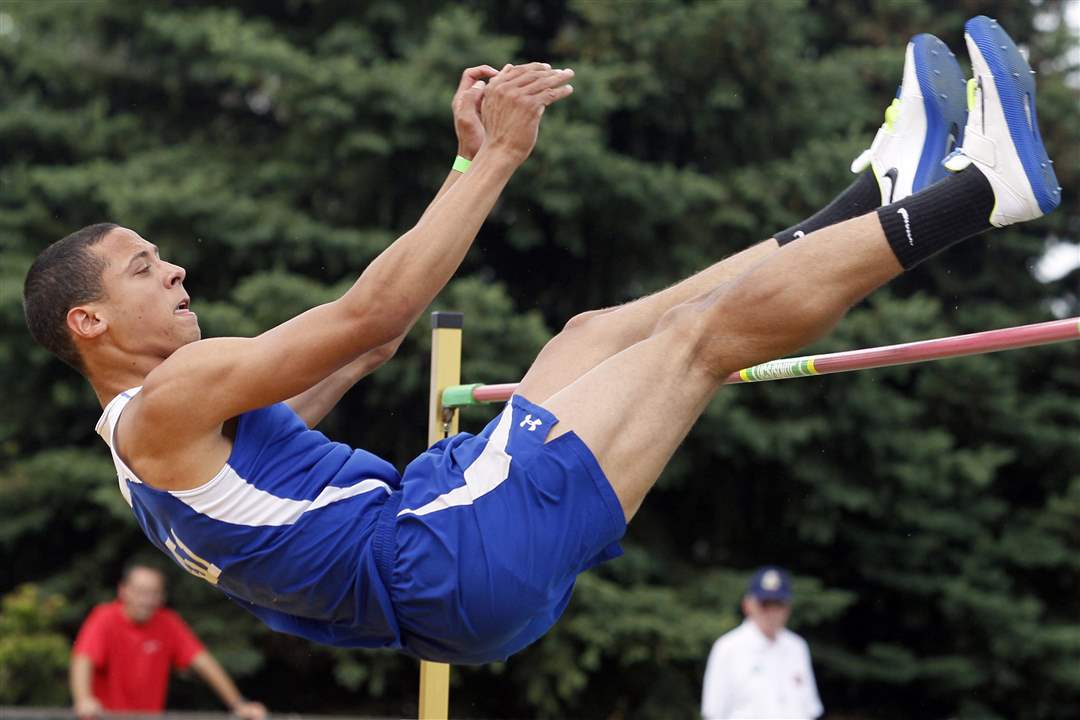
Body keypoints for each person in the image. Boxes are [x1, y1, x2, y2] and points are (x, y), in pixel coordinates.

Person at [23, 17, 1060, 665]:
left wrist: (461, 163)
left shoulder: (165, 452)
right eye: (147, 268)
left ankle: (871, 197)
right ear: (90, 321)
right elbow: (372, 315)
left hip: (442, 558)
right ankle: (982, 193)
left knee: (594, 332)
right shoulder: (173, 399)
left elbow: (361, 354)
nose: (178, 274)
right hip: (441, 555)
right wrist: (495, 164)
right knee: (696, 341)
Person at [70, 562, 267, 719]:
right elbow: (83, 659)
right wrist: (83, 699)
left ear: (162, 596)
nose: (146, 600)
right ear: (123, 590)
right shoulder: (104, 618)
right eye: (140, 592)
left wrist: (239, 704)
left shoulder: (168, 623)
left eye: (153, 593)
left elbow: (204, 663)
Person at [701, 567, 823, 720]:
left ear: (788, 607)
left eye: (778, 604)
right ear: (748, 605)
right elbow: (714, 713)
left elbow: (810, 708)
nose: (772, 612)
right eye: (765, 604)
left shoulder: (797, 647)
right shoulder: (728, 648)